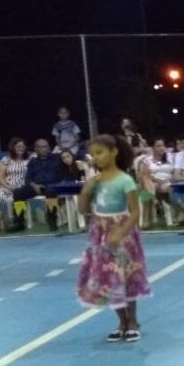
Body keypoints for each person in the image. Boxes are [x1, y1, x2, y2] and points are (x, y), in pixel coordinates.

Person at [76, 134, 152, 342]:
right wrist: (86, 191)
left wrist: (121, 232)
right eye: (92, 154)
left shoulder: (125, 180)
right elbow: (83, 210)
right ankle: (121, 321)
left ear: (114, 153)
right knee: (107, 277)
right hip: (100, 232)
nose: (95, 158)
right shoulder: (95, 182)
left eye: (100, 153)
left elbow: (135, 211)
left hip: (122, 232)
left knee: (126, 276)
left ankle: (133, 321)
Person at [136, 138, 174, 229]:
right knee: (148, 184)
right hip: (153, 182)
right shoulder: (146, 160)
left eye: (163, 145)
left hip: (169, 183)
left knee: (154, 188)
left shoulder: (171, 158)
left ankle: (147, 218)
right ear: (152, 148)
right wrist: (158, 180)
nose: (161, 148)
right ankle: (146, 218)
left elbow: (175, 171)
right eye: (158, 146)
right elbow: (144, 174)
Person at [0, 138, 30, 232]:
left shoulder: (30, 160)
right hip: (8, 185)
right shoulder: (6, 159)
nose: (21, 148)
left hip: (23, 186)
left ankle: (18, 221)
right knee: (2, 196)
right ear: (13, 147)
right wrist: (8, 187)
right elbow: (0, 176)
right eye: (18, 146)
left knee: (19, 195)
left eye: (22, 146)